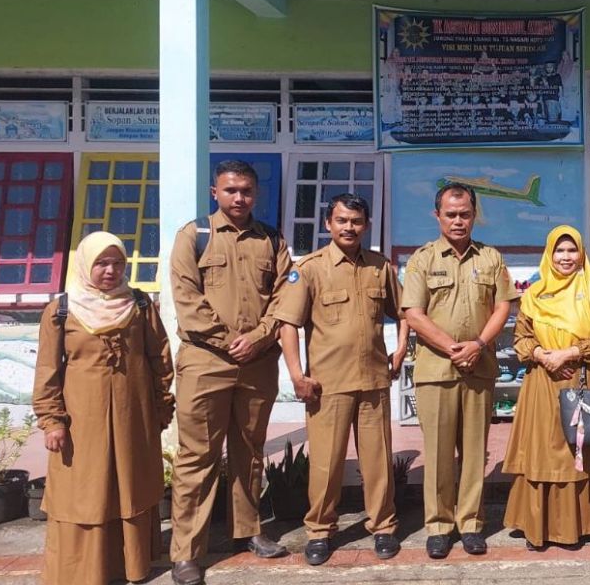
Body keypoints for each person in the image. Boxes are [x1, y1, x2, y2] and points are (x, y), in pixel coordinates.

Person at [168, 160, 293, 585]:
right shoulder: (194, 236)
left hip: (257, 363)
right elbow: (187, 298)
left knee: (249, 450)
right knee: (197, 458)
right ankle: (187, 552)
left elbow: (284, 297)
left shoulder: (272, 240)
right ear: (214, 192)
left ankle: (248, 531)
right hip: (206, 362)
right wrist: (228, 341)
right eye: (230, 190)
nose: (239, 198)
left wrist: (259, 337)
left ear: (256, 194)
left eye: (246, 191)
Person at [272, 194, 409, 566]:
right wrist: (297, 375)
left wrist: (401, 350)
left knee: (378, 461)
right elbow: (287, 325)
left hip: (374, 383)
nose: (349, 227)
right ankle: (319, 531)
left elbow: (405, 311)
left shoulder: (380, 267)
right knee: (326, 464)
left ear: (366, 225)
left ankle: (383, 527)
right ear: (328, 224)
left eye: (356, 221)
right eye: (342, 220)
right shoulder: (311, 268)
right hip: (326, 386)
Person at [32, 232, 174, 585]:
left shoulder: (139, 306)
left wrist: (161, 407)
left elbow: (161, 359)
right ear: (85, 265)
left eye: (117, 263)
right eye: (101, 263)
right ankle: (84, 570)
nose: (110, 271)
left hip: (133, 417)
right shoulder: (61, 310)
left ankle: (131, 565)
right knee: (85, 490)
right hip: (81, 420)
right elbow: (48, 371)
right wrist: (52, 421)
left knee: (130, 486)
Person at [402, 184, 519, 558]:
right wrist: (453, 347)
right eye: (450, 214)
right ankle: (438, 525)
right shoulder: (422, 260)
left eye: (464, 214)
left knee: (474, 452)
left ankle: (471, 524)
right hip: (436, 369)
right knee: (436, 453)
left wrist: (478, 345)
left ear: (474, 215)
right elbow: (413, 314)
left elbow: (503, 307)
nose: (458, 221)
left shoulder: (491, 258)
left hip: (478, 367)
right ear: (437, 215)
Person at [502, 225, 590, 550]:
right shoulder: (533, 294)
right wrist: (543, 355)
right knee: (548, 451)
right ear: (549, 254)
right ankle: (541, 527)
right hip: (544, 384)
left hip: (585, 379)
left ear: (581, 254)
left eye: (572, 250)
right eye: (559, 251)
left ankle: (589, 524)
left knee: (586, 450)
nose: (566, 257)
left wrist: (570, 353)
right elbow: (521, 338)